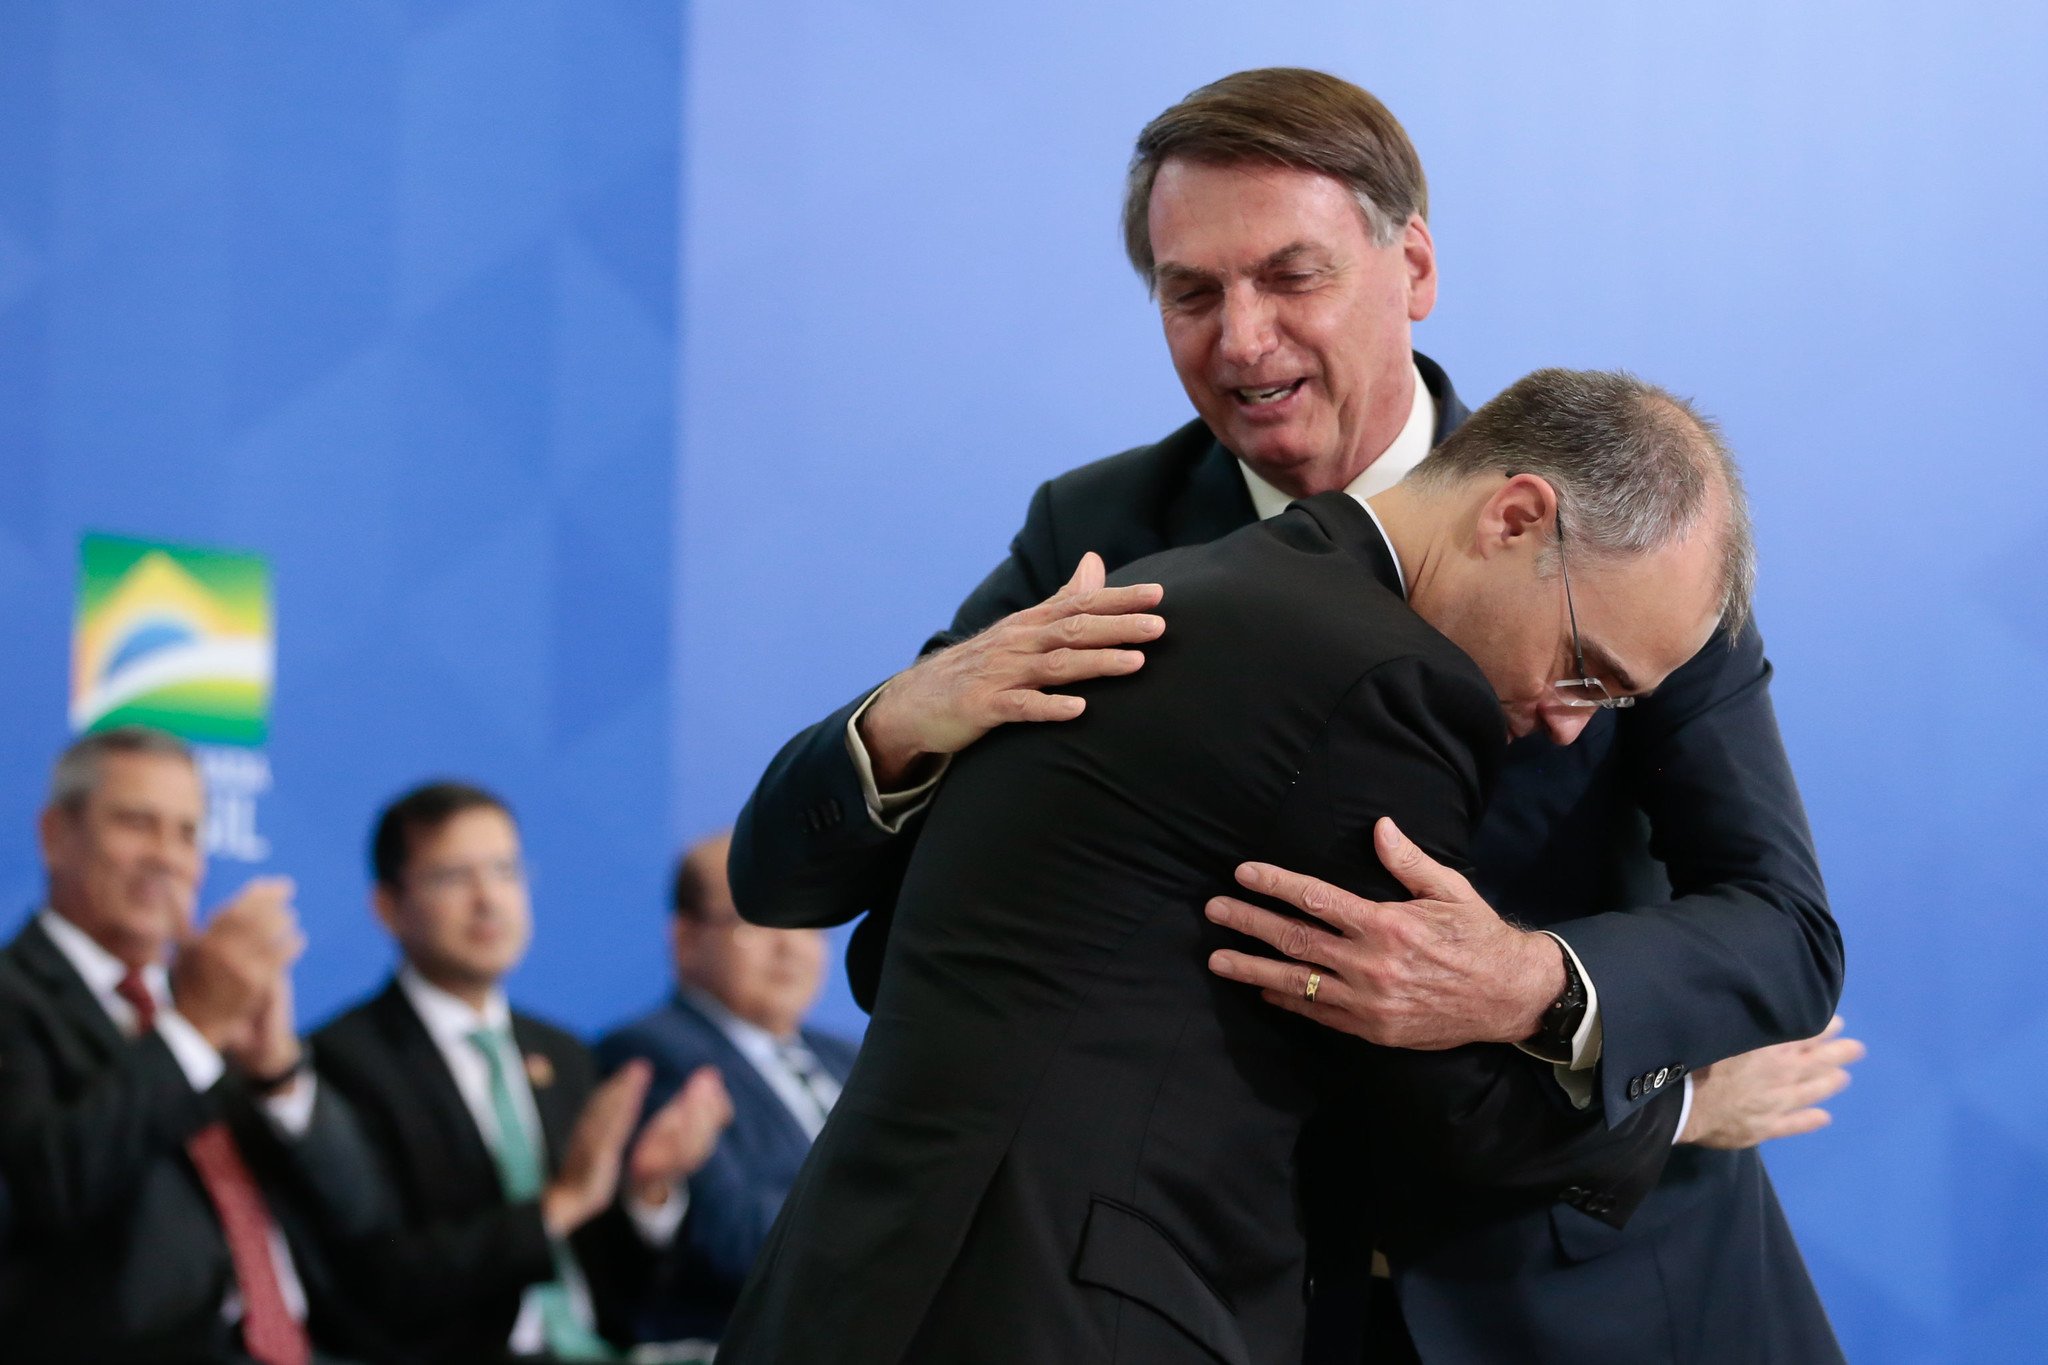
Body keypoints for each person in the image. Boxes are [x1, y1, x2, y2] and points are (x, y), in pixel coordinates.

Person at [731, 68, 1848, 1361]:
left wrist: (1532, 982)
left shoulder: (1631, 535)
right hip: (1240, 1291)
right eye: (1190, 292)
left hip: (1589, 1292)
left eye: (1291, 276)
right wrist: (901, 722)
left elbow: (1784, 931)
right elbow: (856, 911)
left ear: (1412, 265)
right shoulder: (1098, 544)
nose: (1242, 339)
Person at [720, 369, 1754, 1365]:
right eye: (1585, 671)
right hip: (1064, 1313)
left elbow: (893, 946)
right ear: (1515, 518)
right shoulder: (1385, 680)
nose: (1569, 726)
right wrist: (1688, 1106)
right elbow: (1430, 1113)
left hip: (869, 1281)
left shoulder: (1186, 587)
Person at [0, 726, 393, 1365]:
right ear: (55, 835)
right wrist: (192, 1031)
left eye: (187, 833)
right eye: (137, 824)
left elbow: (362, 1214)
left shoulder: (205, 998)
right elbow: (47, 1185)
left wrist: (277, 1074)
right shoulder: (17, 998)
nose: (168, 856)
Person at [311, 782, 733, 1364]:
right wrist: (558, 1203)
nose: (489, 899)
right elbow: (382, 1278)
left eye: (506, 871)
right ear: (388, 906)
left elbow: (624, 1285)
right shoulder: (346, 1059)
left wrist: (648, 1189)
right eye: (454, 877)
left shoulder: (562, 1054)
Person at [596, 831, 859, 1341]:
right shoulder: (654, 1053)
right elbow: (731, 1237)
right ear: (686, 938)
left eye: (808, 921)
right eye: (759, 919)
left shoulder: (850, 1057)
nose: (790, 945)